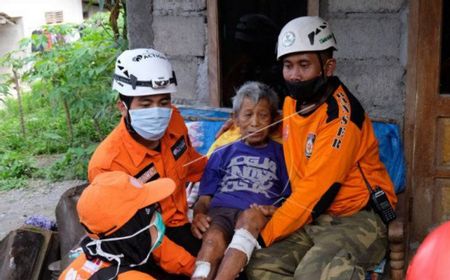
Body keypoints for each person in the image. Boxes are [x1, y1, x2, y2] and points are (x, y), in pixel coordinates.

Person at [236, 16, 398, 279]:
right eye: (288, 66)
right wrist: (235, 127)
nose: (294, 75)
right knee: (259, 267)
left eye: (304, 65)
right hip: (314, 217)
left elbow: (313, 194)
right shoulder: (292, 102)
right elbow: (288, 124)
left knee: (312, 275)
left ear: (328, 66)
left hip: (359, 218)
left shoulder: (341, 118)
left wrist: (257, 238)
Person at [87, 48, 207, 278]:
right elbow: (140, 235)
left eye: (164, 101)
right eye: (145, 104)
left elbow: (191, 163)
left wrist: (226, 150)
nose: (157, 111)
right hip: (144, 246)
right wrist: (194, 268)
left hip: (182, 224)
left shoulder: (174, 120)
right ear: (123, 107)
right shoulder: (108, 165)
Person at [190, 81, 291, 280]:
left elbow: (292, 199)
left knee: (251, 217)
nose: (255, 123)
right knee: (212, 241)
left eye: (263, 115)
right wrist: (199, 214)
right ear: (235, 119)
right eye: (248, 115)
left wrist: (275, 210)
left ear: (273, 120)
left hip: (257, 214)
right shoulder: (222, 152)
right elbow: (203, 198)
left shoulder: (283, 155)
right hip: (221, 212)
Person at [59, 171, 194, 279]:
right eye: (153, 211)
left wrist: (198, 268)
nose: (159, 218)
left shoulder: (79, 264)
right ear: (135, 231)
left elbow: (169, 253)